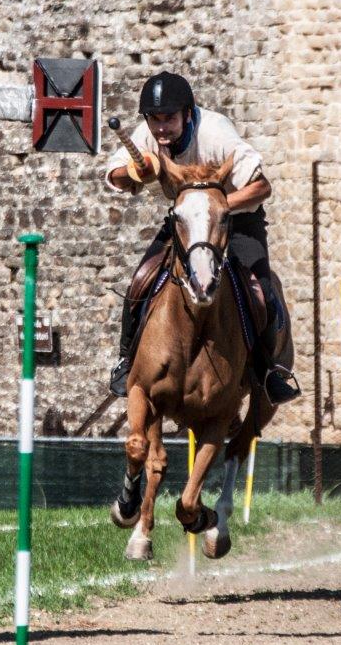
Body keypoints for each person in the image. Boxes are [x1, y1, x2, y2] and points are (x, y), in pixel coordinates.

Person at [104, 71, 300, 404]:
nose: (161, 128)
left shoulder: (216, 132)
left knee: (261, 291)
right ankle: (127, 360)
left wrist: (217, 207)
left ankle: (267, 370)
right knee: (140, 279)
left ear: (188, 113)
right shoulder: (150, 137)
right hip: (185, 222)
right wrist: (137, 171)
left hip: (236, 220)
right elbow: (115, 175)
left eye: (169, 119)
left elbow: (262, 187)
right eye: (155, 120)